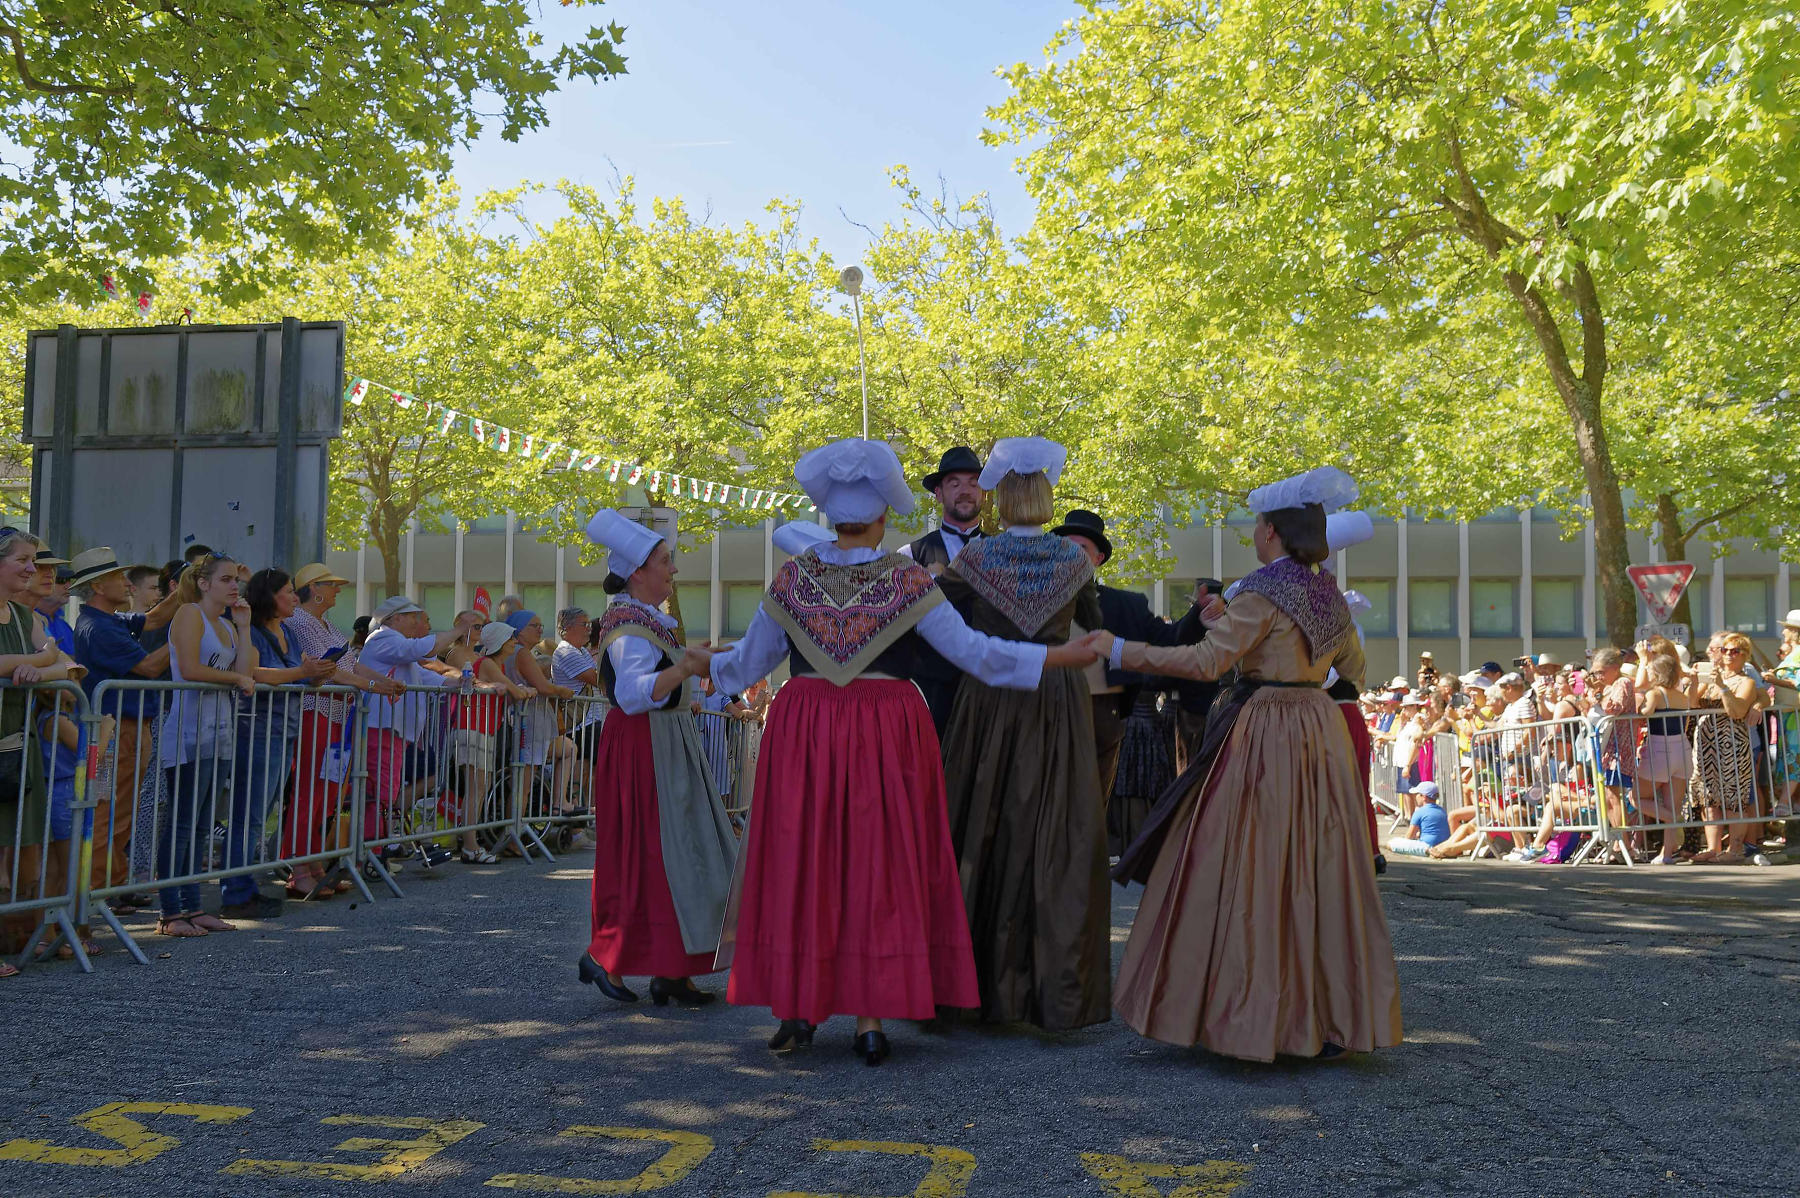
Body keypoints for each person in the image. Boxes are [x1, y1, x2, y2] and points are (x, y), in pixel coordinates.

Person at [709, 438, 1098, 1064]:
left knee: (803, 858)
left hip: (805, 725)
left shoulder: (794, 577)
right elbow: (975, 653)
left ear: (833, 514)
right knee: (877, 863)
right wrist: (1058, 655)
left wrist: (700, 668)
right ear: (885, 515)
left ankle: (799, 1008)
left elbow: (746, 666)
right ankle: (870, 1019)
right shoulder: (906, 578)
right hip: (885, 728)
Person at [1095, 466, 1402, 1061]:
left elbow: (1208, 663)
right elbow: (1354, 669)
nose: (1254, 533)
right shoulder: (1327, 593)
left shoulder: (1261, 590)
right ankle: (1325, 1016)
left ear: (1274, 531)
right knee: (1320, 868)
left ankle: (1251, 1015)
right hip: (1318, 728)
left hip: (1266, 729)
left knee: (1246, 864)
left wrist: (1117, 648)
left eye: (1259, 525)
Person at [934, 438, 1113, 1031]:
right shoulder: (1074, 562)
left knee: (979, 829)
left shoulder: (974, 560)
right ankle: (1051, 992)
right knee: (1053, 833)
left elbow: (939, 620)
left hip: (988, 699)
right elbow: (1096, 626)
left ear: (1000, 496)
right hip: (1056, 700)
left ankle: (971, 987)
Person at [578, 509, 737, 1009]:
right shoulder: (627, 626)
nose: (673, 571)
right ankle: (607, 954)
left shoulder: (645, 621)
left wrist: (691, 660)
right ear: (638, 573)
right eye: (666, 562)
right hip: (643, 745)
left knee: (679, 852)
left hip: (663, 741)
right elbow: (631, 695)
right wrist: (685, 667)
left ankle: (672, 969)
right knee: (647, 852)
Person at [1051, 507, 1208, 808]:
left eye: (1080, 548)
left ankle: (1089, 856)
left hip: (1102, 713)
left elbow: (1171, 639)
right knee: (1051, 799)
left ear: (1097, 559)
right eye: (1064, 546)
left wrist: (1198, 613)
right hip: (1049, 707)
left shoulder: (1125, 605)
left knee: (1092, 804)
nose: (1070, 554)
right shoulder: (1035, 601)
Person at [222, 568, 338, 919]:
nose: (292, 596)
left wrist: (316, 675)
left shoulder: (288, 630)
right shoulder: (253, 631)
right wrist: (303, 674)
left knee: (263, 813)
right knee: (250, 814)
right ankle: (237, 891)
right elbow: (255, 673)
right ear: (269, 596)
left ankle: (246, 886)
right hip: (255, 729)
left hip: (283, 729)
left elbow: (297, 673)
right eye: (287, 591)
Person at [281, 563, 399, 898]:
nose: (338, 590)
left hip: (336, 714)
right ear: (314, 589)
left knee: (329, 791)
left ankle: (315, 862)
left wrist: (382, 682)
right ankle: (299, 866)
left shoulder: (327, 623)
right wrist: (373, 685)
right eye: (332, 584)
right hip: (315, 713)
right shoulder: (300, 622)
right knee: (311, 790)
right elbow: (327, 669)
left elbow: (348, 663)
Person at [156, 554, 257, 938]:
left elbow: (246, 672)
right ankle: (169, 912)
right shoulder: (189, 615)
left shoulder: (228, 625)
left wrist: (245, 629)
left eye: (236, 580)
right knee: (181, 824)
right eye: (226, 580)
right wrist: (234, 679)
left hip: (218, 733)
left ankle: (194, 906)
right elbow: (190, 668)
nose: (234, 586)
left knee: (200, 826)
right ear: (203, 583)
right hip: (187, 732)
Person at [69, 547, 175, 905]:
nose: (126, 583)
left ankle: (111, 882)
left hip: (127, 726)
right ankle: (97, 890)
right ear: (98, 585)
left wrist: (185, 595)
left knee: (119, 811)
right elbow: (147, 667)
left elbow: (155, 619)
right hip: (116, 730)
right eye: (117, 577)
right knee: (106, 811)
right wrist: (185, 635)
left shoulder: (108, 620)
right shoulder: (98, 627)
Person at [354, 597, 471, 876]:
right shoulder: (384, 638)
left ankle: (377, 851)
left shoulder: (396, 647)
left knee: (386, 791)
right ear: (395, 618)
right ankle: (371, 854)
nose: (418, 622)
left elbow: (425, 677)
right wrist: (459, 630)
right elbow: (419, 648)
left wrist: (461, 682)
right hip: (380, 728)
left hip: (392, 731)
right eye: (413, 617)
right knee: (380, 793)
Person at [904, 445, 986, 733]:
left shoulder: (1005, 553)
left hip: (990, 693)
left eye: (973, 483)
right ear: (938, 493)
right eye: (954, 483)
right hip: (931, 698)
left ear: (984, 493)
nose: (965, 490)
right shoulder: (910, 556)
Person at [450, 622, 532, 864]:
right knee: (476, 790)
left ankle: (471, 844)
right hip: (474, 730)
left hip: (479, 730)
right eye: (510, 639)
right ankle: (470, 846)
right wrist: (525, 691)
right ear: (500, 642)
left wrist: (520, 690)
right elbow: (515, 694)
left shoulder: (496, 664)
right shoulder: (487, 663)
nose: (515, 643)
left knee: (479, 789)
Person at [1689, 632, 1768, 865]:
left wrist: (1722, 686)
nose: (1728, 655)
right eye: (1725, 650)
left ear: (1745, 656)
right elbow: (1692, 703)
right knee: (1708, 798)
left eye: (1735, 651)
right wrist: (1695, 682)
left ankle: (1735, 849)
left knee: (1734, 798)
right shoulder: (1712, 678)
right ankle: (1713, 848)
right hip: (1706, 746)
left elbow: (1737, 711)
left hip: (1732, 746)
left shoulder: (1746, 681)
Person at [498, 609, 578, 825]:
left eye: (541, 625)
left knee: (523, 782)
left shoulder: (509, 652)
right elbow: (542, 686)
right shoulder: (520, 652)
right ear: (519, 630)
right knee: (522, 785)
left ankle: (516, 829)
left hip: (522, 720)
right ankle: (513, 835)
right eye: (535, 625)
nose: (540, 629)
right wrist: (562, 691)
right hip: (529, 722)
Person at [1636, 654, 1693, 863]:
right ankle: (1666, 854)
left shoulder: (1655, 693)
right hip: (1682, 749)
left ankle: (1667, 821)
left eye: (1650, 670)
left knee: (1635, 797)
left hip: (1660, 748)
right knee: (1673, 804)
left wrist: (1640, 706)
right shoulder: (1682, 696)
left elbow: (1646, 712)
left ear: (1657, 673)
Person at [551, 607, 606, 814]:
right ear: (567, 628)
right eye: (584, 624)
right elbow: (598, 679)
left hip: (589, 720)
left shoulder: (581, 651)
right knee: (585, 770)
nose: (589, 629)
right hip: (580, 723)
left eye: (589, 624)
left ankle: (583, 816)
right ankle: (571, 810)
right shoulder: (566, 651)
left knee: (591, 770)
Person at [1388, 781, 1450, 857]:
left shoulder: (1419, 812)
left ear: (1423, 797)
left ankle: (1428, 851)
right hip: (1443, 844)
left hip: (1427, 845)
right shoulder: (1442, 811)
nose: (1415, 797)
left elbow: (1409, 837)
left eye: (1417, 794)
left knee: (1391, 843)